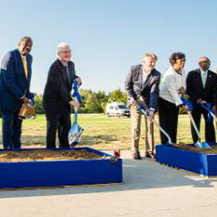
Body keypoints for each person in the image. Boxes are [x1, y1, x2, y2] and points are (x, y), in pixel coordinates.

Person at [43, 43, 82, 148]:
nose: (68, 54)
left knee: (66, 128)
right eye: (65, 52)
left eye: (69, 51)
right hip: (52, 102)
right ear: (58, 53)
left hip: (64, 102)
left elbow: (71, 77)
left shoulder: (71, 65)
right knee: (52, 129)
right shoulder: (54, 67)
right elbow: (60, 87)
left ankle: (64, 152)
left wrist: (77, 79)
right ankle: (50, 153)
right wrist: (71, 101)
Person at [125, 53, 161, 160]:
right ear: (144, 62)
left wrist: (152, 109)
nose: (153, 63)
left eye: (154, 61)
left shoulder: (156, 75)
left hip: (148, 101)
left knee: (150, 126)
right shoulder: (134, 69)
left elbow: (154, 93)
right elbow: (127, 85)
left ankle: (149, 151)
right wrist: (132, 97)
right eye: (151, 61)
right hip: (135, 100)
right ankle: (134, 151)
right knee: (136, 126)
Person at [0, 37, 33, 149]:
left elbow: (27, 79)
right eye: (25, 44)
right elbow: (8, 79)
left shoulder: (29, 58)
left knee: (18, 126)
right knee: (8, 126)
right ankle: (8, 150)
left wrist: (28, 96)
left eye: (30, 46)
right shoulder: (10, 55)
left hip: (21, 100)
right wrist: (21, 95)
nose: (28, 47)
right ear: (19, 44)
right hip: (7, 98)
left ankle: (17, 149)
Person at [158, 52, 188, 145]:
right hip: (164, 100)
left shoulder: (183, 71)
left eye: (184, 60)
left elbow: (183, 84)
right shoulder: (169, 74)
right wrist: (182, 105)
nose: (183, 62)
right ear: (174, 61)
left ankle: (173, 144)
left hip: (174, 100)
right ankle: (165, 145)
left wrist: (183, 89)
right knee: (165, 124)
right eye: (181, 61)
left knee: (174, 123)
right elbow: (172, 91)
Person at [186, 57, 217, 143]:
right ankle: (196, 142)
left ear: (210, 63)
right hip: (195, 104)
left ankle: (211, 143)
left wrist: (214, 105)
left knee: (209, 124)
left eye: (206, 62)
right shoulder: (192, 74)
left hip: (208, 105)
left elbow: (215, 92)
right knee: (195, 124)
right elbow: (188, 89)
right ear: (199, 64)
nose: (204, 64)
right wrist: (197, 99)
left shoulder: (214, 76)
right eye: (202, 62)